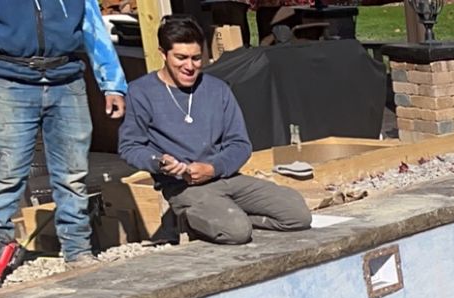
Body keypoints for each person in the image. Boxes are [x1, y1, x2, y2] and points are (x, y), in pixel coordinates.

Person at [0, 0, 126, 267]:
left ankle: (78, 249)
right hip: (10, 82)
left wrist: (112, 84)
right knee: (5, 173)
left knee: (72, 174)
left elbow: (94, 29)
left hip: (67, 81)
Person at [117, 16, 310, 246]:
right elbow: (130, 146)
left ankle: (235, 217)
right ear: (163, 54)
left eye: (196, 58)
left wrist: (213, 167)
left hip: (226, 177)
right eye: (181, 58)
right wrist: (159, 162)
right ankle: (193, 219)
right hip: (183, 187)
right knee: (236, 232)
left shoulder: (217, 89)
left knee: (297, 214)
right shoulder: (141, 92)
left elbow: (240, 143)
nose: (190, 66)